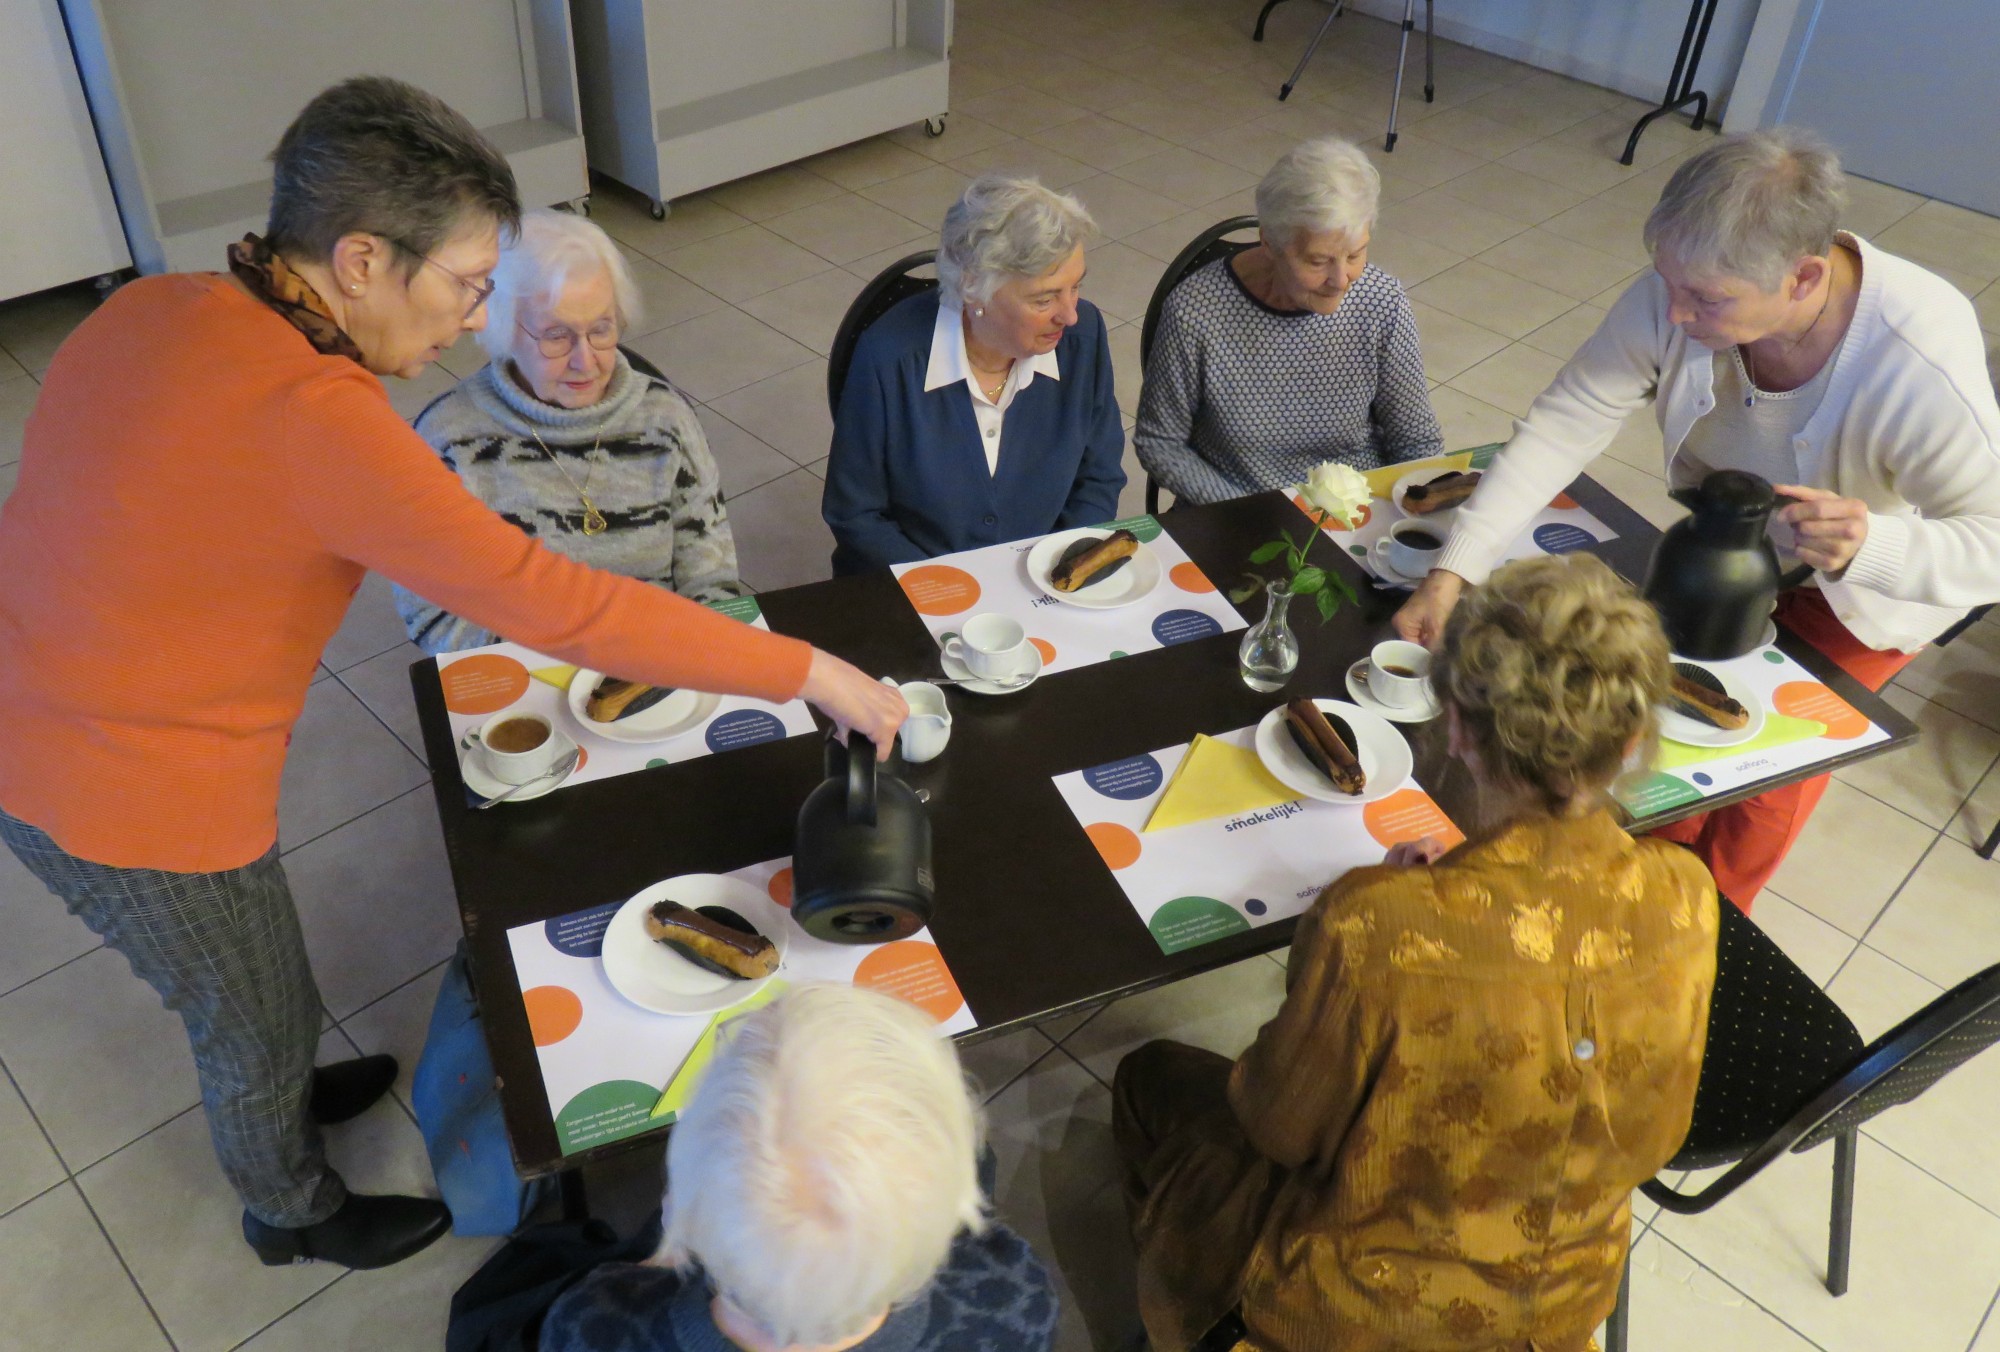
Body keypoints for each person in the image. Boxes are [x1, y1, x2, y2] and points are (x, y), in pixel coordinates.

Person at [0, 77, 903, 1272]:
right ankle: (291, 1205)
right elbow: (559, 601)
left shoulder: (155, 304)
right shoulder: (323, 418)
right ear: (363, 260)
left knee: (255, 982)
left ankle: (285, 1082)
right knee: (246, 1009)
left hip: (41, 684)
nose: (475, 324)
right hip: (120, 784)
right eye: (471, 287)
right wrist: (809, 669)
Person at [1116, 553, 1718, 1352]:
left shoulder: (1379, 925)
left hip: (1348, 1313)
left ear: (1460, 730)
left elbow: (1277, 1125)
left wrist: (1357, 922)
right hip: (1562, 1308)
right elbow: (1655, 1135)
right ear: (1634, 736)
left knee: (1148, 1075)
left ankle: (1189, 1319)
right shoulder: (1686, 891)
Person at [1393, 127, 2000, 909]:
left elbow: (1991, 543)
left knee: (1762, 792)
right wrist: (1455, 570)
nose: (1674, 315)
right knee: (1662, 740)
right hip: (1721, 554)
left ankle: (1699, 932)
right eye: (1667, 284)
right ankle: (1614, 900)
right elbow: (1567, 420)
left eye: (1706, 300)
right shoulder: (1685, 290)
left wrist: (1871, 545)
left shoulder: (1917, 356)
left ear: (1803, 275)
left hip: (1862, 592)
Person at [539, 984, 1060, 1352]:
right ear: (954, 1214)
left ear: (677, 1215)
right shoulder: (1015, 1297)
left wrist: (654, 1266)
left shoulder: (593, 1325)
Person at [394, 208, 742, 654]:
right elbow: (434, 615)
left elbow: (712, 577)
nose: (586, 360)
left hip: (660, 657)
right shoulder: (449, 440)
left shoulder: (664, 418)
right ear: (502, 330)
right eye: (556, 336)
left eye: (601, 329)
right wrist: (565, 667)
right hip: (527, 667)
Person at [822, 174, 1125, 573]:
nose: (1068, 314)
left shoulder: (1081, 336)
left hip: (1045, 578)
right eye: (1044, 297)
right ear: (973, 287)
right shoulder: (888, 359)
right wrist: (958, 592)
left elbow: (1099, 475)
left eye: (1075, 287)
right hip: (917, 588)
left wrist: (1059, 567)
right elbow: (856, 516)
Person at [1136, 136, 1442, 504]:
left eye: (1356, 254)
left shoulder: (1381, 302)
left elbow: (1416, 442)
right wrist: (1258, 514)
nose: (1341, 279)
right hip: (1236, 513)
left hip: (1357, 513)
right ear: (1269, 243)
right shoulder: (1196, 312)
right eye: (1317, 261)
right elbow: (1161, 443)